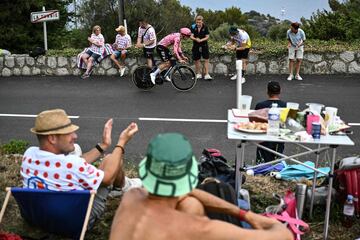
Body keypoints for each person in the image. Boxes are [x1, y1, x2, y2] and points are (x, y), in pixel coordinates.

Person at [109, 133, 293, 240]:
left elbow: (188, 193)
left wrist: (244, 214)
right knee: (193, 205)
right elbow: (284, 235)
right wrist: (259, 219)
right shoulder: (196, 228)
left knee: (192, 204)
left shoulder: (131, 197)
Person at [21, 109, 142, 228]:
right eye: (69, 133)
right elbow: (108, 178)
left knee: (77, 150)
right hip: (77, 220)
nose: (75, 136)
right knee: (111, 159)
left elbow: (75, 164)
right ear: (52, 138)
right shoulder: (72, 164)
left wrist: (103, 145)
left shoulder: (29, 155)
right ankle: (124, 186)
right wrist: (121, 142)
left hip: (40, 217)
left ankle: (123, 185)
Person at [255, 81, 287, 164]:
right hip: (279, 138)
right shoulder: (285, 105)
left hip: (263, 138)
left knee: (262, 163)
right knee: (276, 161)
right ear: (280, 91)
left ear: (268, 92)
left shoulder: (260, 105)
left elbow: (256, 123)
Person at [190, 15, 212, 80]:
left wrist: (201, 40)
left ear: (202, 21)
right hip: (196, 45)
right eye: (197, 22)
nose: (198, 24)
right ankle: (198, 74)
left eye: (199, 22)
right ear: (196, 21)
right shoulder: (193, 26)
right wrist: (195, 39)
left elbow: (207, 36)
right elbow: (191, 36)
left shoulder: (205, 27)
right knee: (197, 60)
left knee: (206, 59)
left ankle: (207, 74)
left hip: (204, 45)